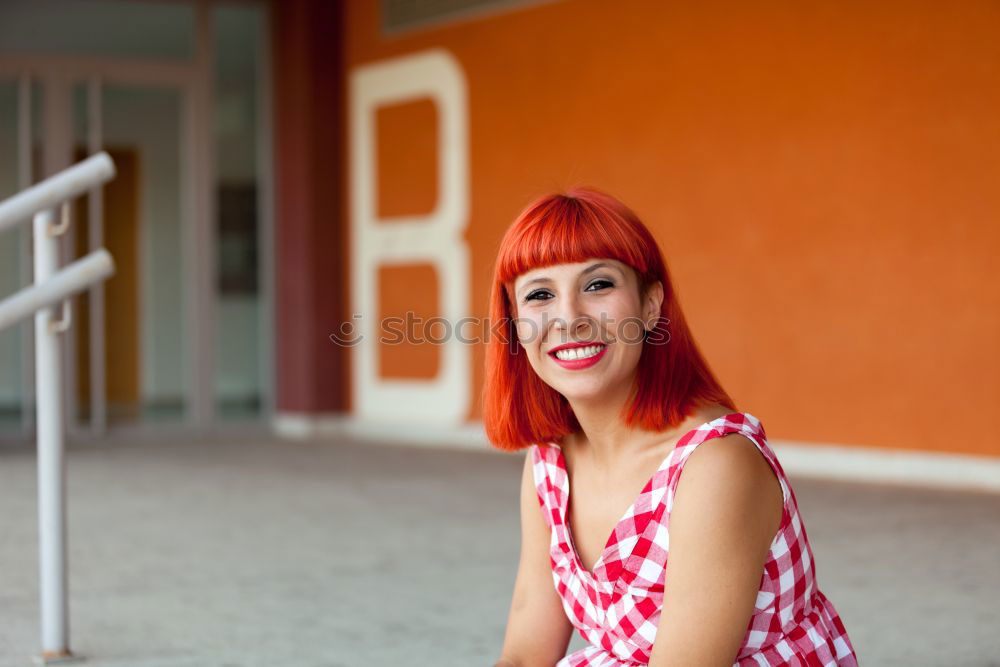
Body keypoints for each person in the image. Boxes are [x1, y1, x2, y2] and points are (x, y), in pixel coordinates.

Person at [483, 187, 859, 666]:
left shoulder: (715, 466)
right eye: (539, 295)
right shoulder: (550, 460)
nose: (570, 318)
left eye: (598, 285)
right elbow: (524, 656)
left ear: (650, 305)